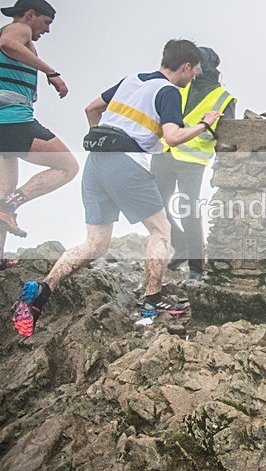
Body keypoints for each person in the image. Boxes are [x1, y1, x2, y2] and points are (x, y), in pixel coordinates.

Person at [12, 39, 223, 337]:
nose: (194, 78)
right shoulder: (169, 92)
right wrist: (204, 124)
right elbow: (173, 137)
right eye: (194, 71)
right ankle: (153, 299)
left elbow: (91, 108)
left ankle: (41, 292)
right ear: (186, 66)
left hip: (96, 162)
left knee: (95, 245)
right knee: (160, 230)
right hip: (127, 163)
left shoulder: (132, 80)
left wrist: (103, 142)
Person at [0, 0, 79, 271]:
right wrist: (51, 72)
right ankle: (13, 204)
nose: (47, 30)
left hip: (4, 122)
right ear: (29, 14)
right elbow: (7, 43)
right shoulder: (18, 29)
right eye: (45, 23)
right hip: (12, 121)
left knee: (2, 192)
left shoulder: (21, 35)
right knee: (68, 167)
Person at [151, 47, 236, 281]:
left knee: (188, 212)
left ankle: (197, 268)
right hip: (165, 152)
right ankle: (183, 247)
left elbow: (226, 133)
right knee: (155, 207)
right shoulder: (181, 84)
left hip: (192, 159)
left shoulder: (223, 97)